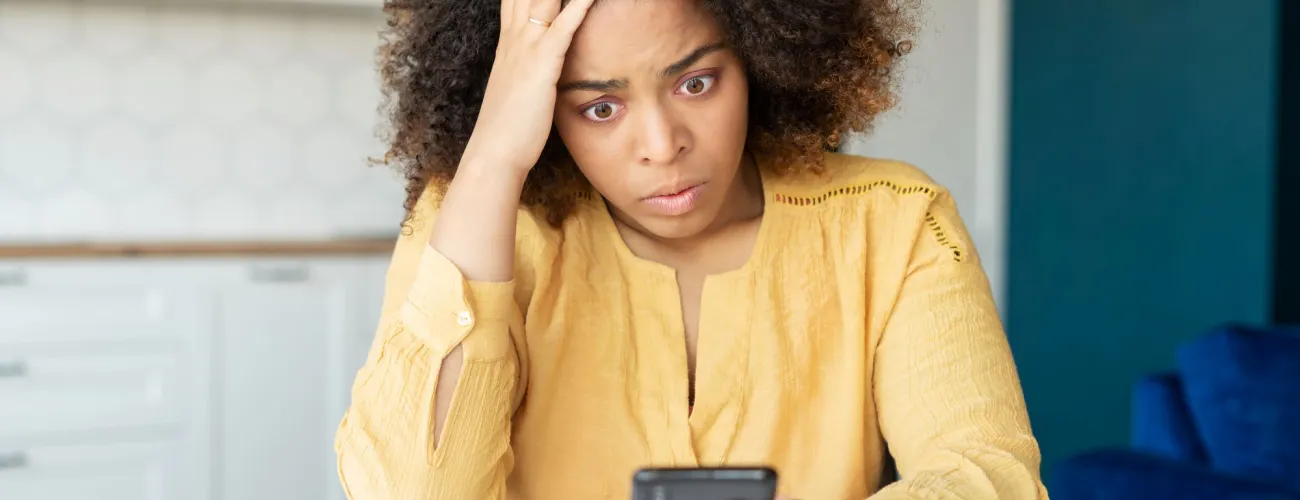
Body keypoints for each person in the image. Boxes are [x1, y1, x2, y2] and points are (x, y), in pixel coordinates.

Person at [334, 0, 1050, 498]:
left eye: (696, 82)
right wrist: (490, 156)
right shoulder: (474, 223)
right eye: (600, 107)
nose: (662, 145)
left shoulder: (894, 224)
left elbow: (988, 474)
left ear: (763, 57)